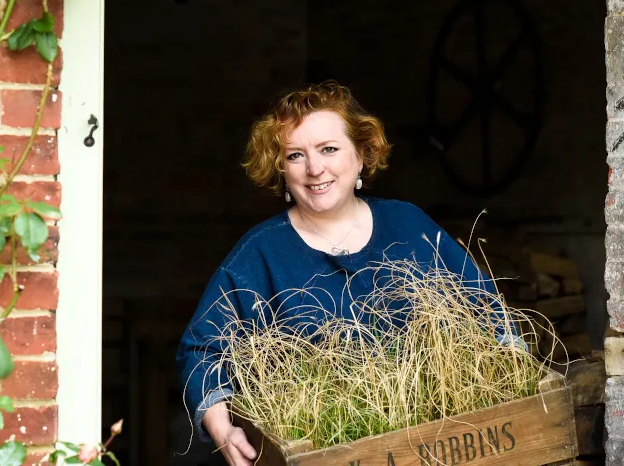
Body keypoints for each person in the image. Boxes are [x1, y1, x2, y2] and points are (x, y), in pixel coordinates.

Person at [176, 81, 510, 466]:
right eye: (295, 155)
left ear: (362, 154)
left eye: (329, 149)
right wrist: (223, 428)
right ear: (281, 168)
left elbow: (486, 309)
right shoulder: (260, 253)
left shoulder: (409, 225)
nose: (315, 168)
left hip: (431, 449)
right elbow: (201, 349)